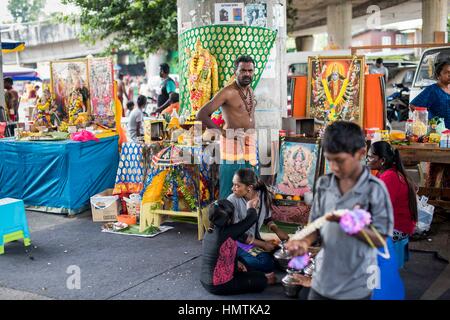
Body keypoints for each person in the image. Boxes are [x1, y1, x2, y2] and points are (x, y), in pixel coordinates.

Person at [285, 121, 394, 300]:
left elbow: (380, 240)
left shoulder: (376, 189)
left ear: (360, 153)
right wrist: (304, 242)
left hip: (356, 284)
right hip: (322, 280)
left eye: (340, 161)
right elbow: (316, 226)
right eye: (329, 160)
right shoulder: (324, 184)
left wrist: (354, 226)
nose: (334, 167)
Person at [197, 55, 258, 199]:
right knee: (230, 187)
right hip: (232, 143)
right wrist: (224, 133)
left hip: (249, 142)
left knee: (248, 187)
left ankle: (245, 218)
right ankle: (223, 220)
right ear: (235, 71)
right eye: (243, 70)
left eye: (250, 71)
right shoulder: (228, 92)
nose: (247, 74)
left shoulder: (249, 90)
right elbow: (201, 114)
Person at [200, 199, 270, 295]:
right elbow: (252, 218)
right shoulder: (228, 232)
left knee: (242, 260)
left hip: (206, 281)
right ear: (229, 219)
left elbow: (241, 237)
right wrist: (250, 206)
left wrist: (237, 262)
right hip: (219, 285)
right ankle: (264, 278)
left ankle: (254, 275)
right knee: (262, 280)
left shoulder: (211, 231)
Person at [227, 168, 289, 275]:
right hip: (237, 242)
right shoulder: (232, 200)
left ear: (250, 187)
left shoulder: (264, 196)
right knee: (266, 263)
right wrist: (263, 244)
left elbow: (266, 218)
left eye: (237, 185)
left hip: (255, 240)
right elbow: (237, 234)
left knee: (282, 253)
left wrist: (277, 230)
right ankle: (234, 260)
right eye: (234, 184)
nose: (233, 188)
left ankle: (240, 260)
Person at [410, 59, 450, 190]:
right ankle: (433, 201)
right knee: (437, 168)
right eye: (447, 73)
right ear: (438, 74)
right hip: (438, 137)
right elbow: (414, 105)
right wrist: (428, 121)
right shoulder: (433, 90)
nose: (449, 75)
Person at [367, 141, 417, 242]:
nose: (367, 160)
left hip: (397, 228)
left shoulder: (390, 177)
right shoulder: (386, 173)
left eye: (371, 157)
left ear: (382, 160)